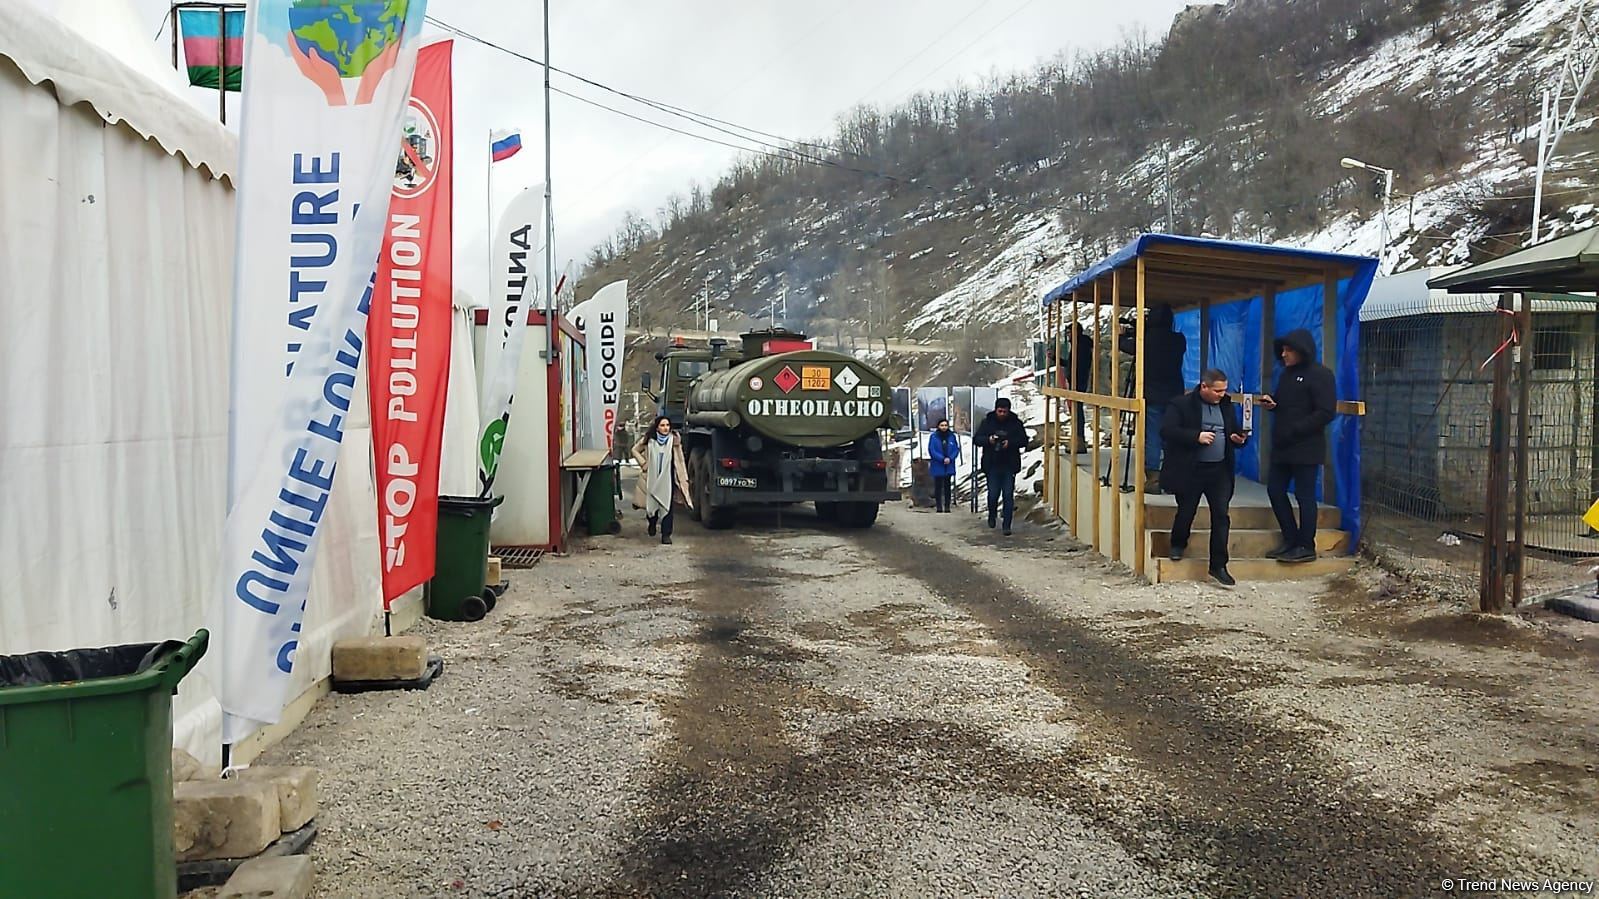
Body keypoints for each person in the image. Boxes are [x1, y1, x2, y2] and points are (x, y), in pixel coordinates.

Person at [1161, 369, 1248, 587]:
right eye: (1217, 390)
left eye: (1224, 390)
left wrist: (1239, 439)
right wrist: (1195, 436)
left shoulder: (1226, 405)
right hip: (1191, 469)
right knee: (1187, 510)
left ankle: (1218, 565)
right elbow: (1167, 430)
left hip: (1219, 470)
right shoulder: (1181, 405)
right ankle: (1178, 543)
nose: (1221, 394)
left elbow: (1234, 431)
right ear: (1204, 387)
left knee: (1221, 515)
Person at [1259, 329, 1336, 564]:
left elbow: (1325, 411)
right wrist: (1274, 404)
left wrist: (1297, 429)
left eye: (1288, 350)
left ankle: (1306, 545)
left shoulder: (1321, 375)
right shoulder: (1286, 375)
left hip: (1306, 446)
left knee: (1305, 496)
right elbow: (1288, 404)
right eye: (1282, 350)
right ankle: (1290, 539)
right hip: (1283, 446)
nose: (1283, 355)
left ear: (1301, 350)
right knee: (1275, 490)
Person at [1120, 304, 1187, 493]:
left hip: (1151, 395)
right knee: (1172, 436)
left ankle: (1154, 479)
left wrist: (1123, 335)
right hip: (1175, 395)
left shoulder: (1145, 341)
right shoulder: (1178, 340)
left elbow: (1125, 346)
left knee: (1154, 436)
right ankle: (1172, 477)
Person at [631, 415, 692, 545]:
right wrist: (643, 463)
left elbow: (680, 459)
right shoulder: (649, 440)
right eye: (662, 425)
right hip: (652, 477)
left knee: (667, 506)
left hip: (667, 477)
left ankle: (666, 534)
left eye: (667, 425)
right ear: (657, 427)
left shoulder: (674, 441)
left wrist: (682, 476)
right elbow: (635, 450)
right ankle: (652, 522)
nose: (665, 428)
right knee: (651, 504)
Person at [974, 397, 1028, 535]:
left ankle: (1006, 525)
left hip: (1009, 464)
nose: (1002, 414)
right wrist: (989, 440)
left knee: (1008, 495)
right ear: (995, 409)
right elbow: (977, 439)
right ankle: (992, 515)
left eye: (1005, 411)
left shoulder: (1015, 423)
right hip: (992, 464)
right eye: (1000, 411)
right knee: (993, 495)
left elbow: (1023, 440)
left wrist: (1010, 443)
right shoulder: (988, 422)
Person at [927, 418, 961, 513]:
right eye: (942, 425)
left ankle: (947, 506)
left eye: (945, 425)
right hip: (938, 464)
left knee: (947, 486)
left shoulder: (951, 436)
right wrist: (942, 458)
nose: (944, 427)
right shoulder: (934, 437)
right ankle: (939, 506)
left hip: (949, 465)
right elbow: (932, 450)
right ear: (938, 426)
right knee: (938, 486)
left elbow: (956, 449)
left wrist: (950, 458)